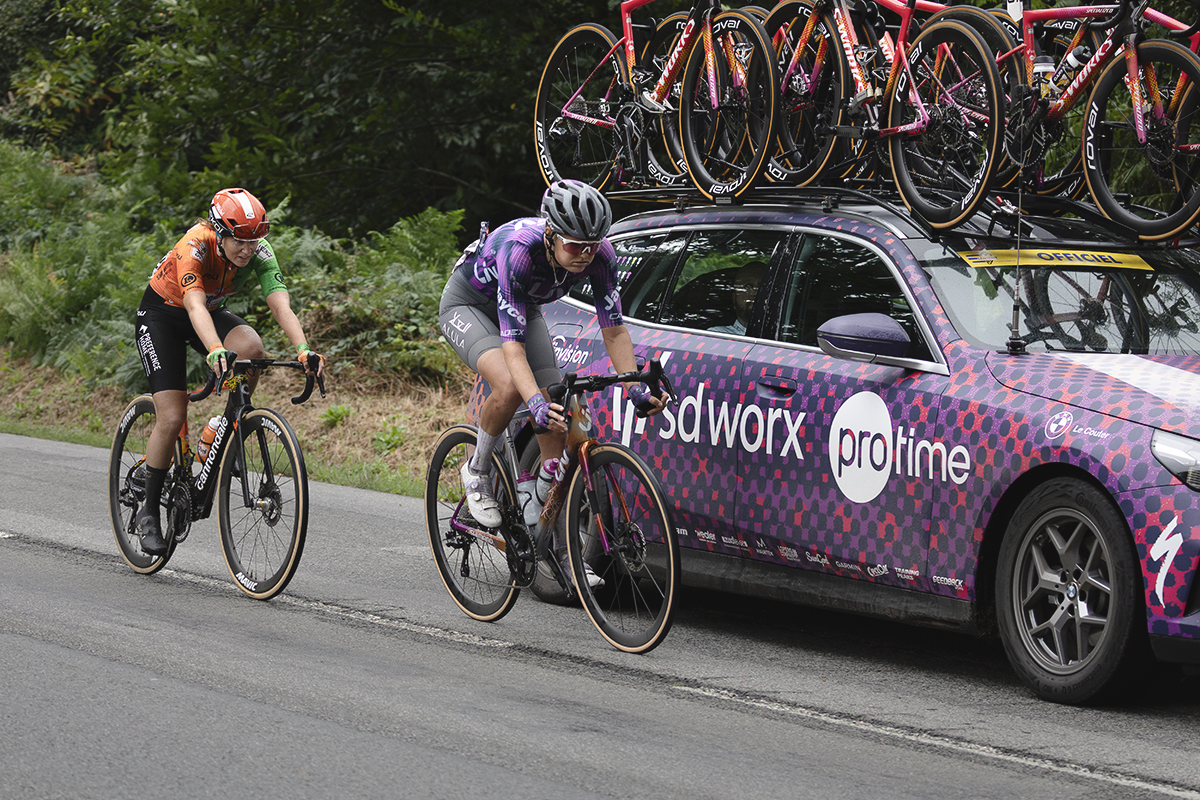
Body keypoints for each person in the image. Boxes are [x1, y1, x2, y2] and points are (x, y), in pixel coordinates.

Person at [438, 179, 667, 583]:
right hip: (470, 305)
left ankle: (546, 522)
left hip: (524, 308)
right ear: (551, 233)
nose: (585, 254)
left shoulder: (600, 256)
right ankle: (476, 469)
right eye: (575, 245)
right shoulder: (520, 250)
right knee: (511, 388)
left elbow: (614, 330)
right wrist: (535, 403)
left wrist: (635, 387)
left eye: (593, 244)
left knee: (564, 411)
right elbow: (512, 348)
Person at [133, 187, 326, 555]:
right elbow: (194, 304)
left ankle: (224, 427)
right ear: (219, 232)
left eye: (255, 241)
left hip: (207, 311)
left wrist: (303, 348)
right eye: (240, 241)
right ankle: (148, 512)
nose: (248, 250)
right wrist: (215, 349)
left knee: (251, 347)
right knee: (172, 417)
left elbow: (279, 302)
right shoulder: (195, 244)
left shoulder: (257, 249)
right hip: (163, 316)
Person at [710, 260, 767, 335]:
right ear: (734, 298)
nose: (755, 292)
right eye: (748, 286)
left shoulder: (784, 338)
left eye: (761, 287)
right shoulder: (718, 335)